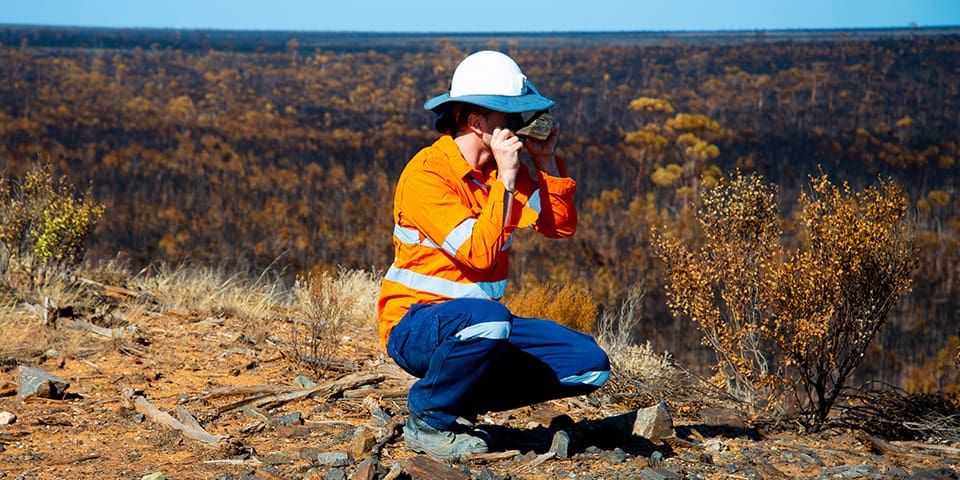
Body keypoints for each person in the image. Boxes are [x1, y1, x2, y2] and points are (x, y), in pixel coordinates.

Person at [377, 50, 610, 459]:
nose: (519, 128)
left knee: (588, 362)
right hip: (416, 325)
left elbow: (559, 227)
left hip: (479, 325)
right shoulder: (428, 176)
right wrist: (505, 180)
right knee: (490, 321)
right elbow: (479, 256)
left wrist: (545, 161)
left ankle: (458, 399)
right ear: (477, 123)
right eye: (510, 118)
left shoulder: (505, 174)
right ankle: (429, 418)